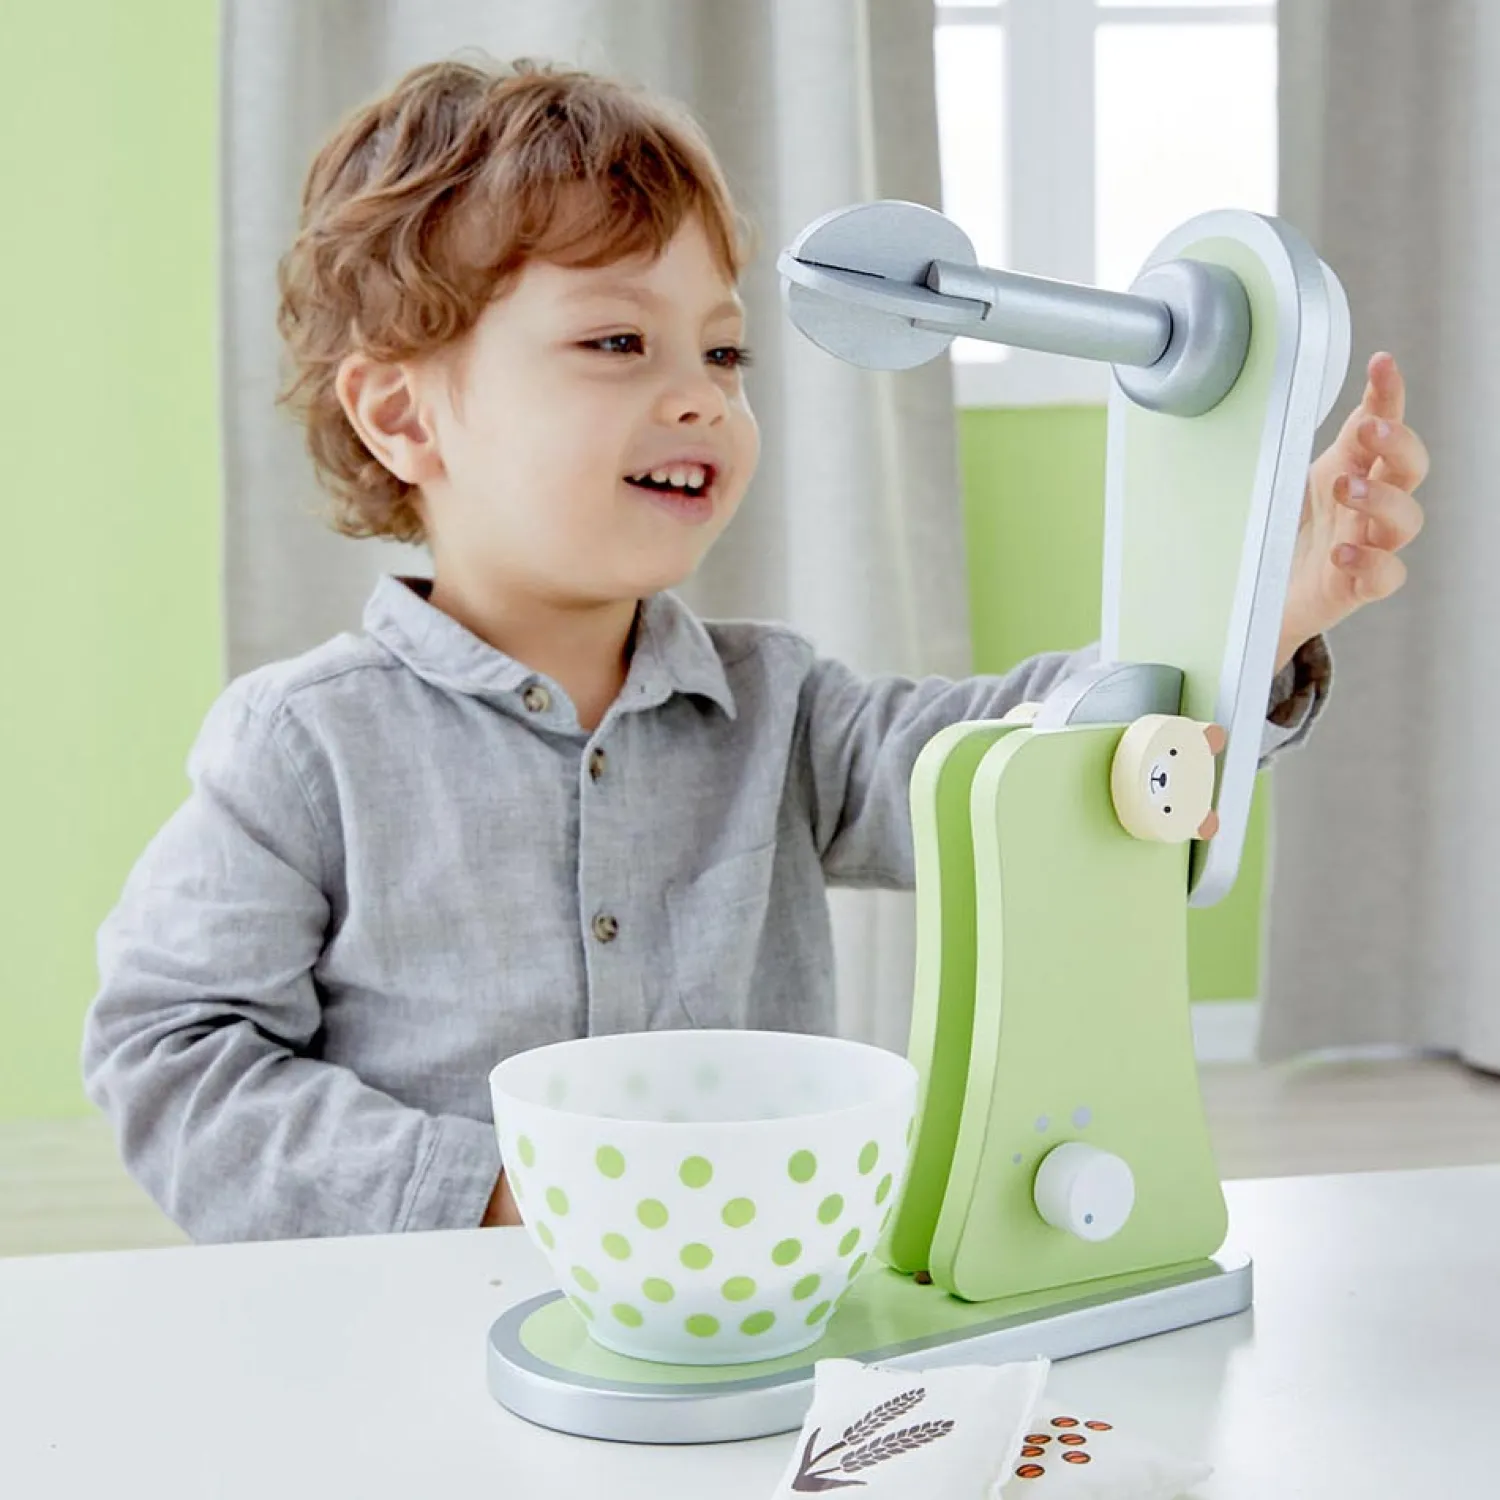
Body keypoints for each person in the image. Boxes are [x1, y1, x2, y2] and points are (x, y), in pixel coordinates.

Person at [81, 57, 1428, 1243]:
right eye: (618, 340)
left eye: (724, 354)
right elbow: (170, 1052)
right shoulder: (303, 746)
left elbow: (1029, 757)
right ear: (401, 415)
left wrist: (1261, 608)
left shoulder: (780, 708)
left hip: (743, 1313)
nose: (699, 397)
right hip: (425, 1319)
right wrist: (487, 1192)